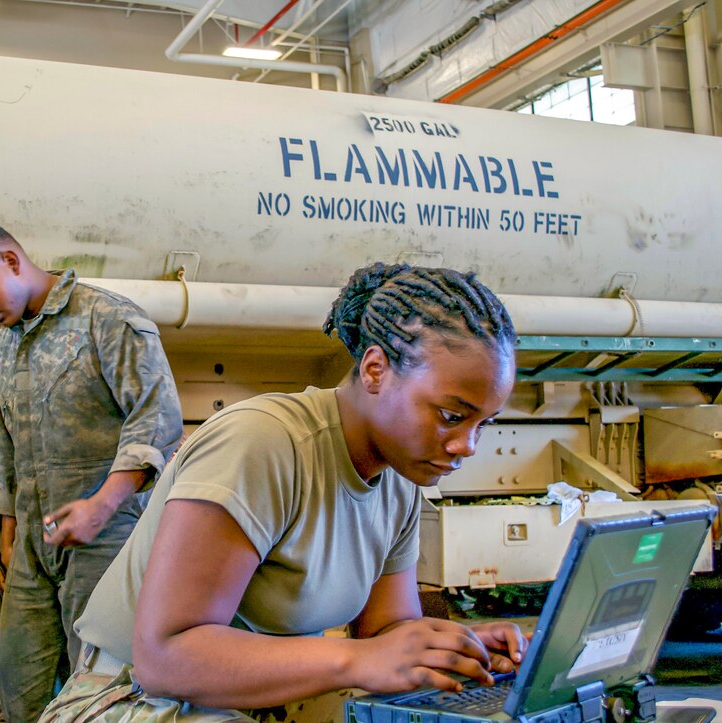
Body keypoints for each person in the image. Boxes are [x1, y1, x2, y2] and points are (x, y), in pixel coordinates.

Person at [40, 262, 528, 722]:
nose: (467, 445)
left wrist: (453, 648)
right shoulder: (263, 442)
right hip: (135, 699)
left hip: (262, 703)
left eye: (484, 423)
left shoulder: (401, 478)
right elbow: (166, 658)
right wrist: (355, 659)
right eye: (451, 415)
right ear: (375, 369)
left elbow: (384, 632)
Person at [0, 223, 183, 722]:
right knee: (20, 685)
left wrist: (103, 504)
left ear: (12, 261)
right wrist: (10, 534)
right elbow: (6, 444)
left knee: (102, 689)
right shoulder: (3, 347)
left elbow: (156, 419)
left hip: (106, 538)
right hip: (34, 544)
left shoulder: (106, 318)